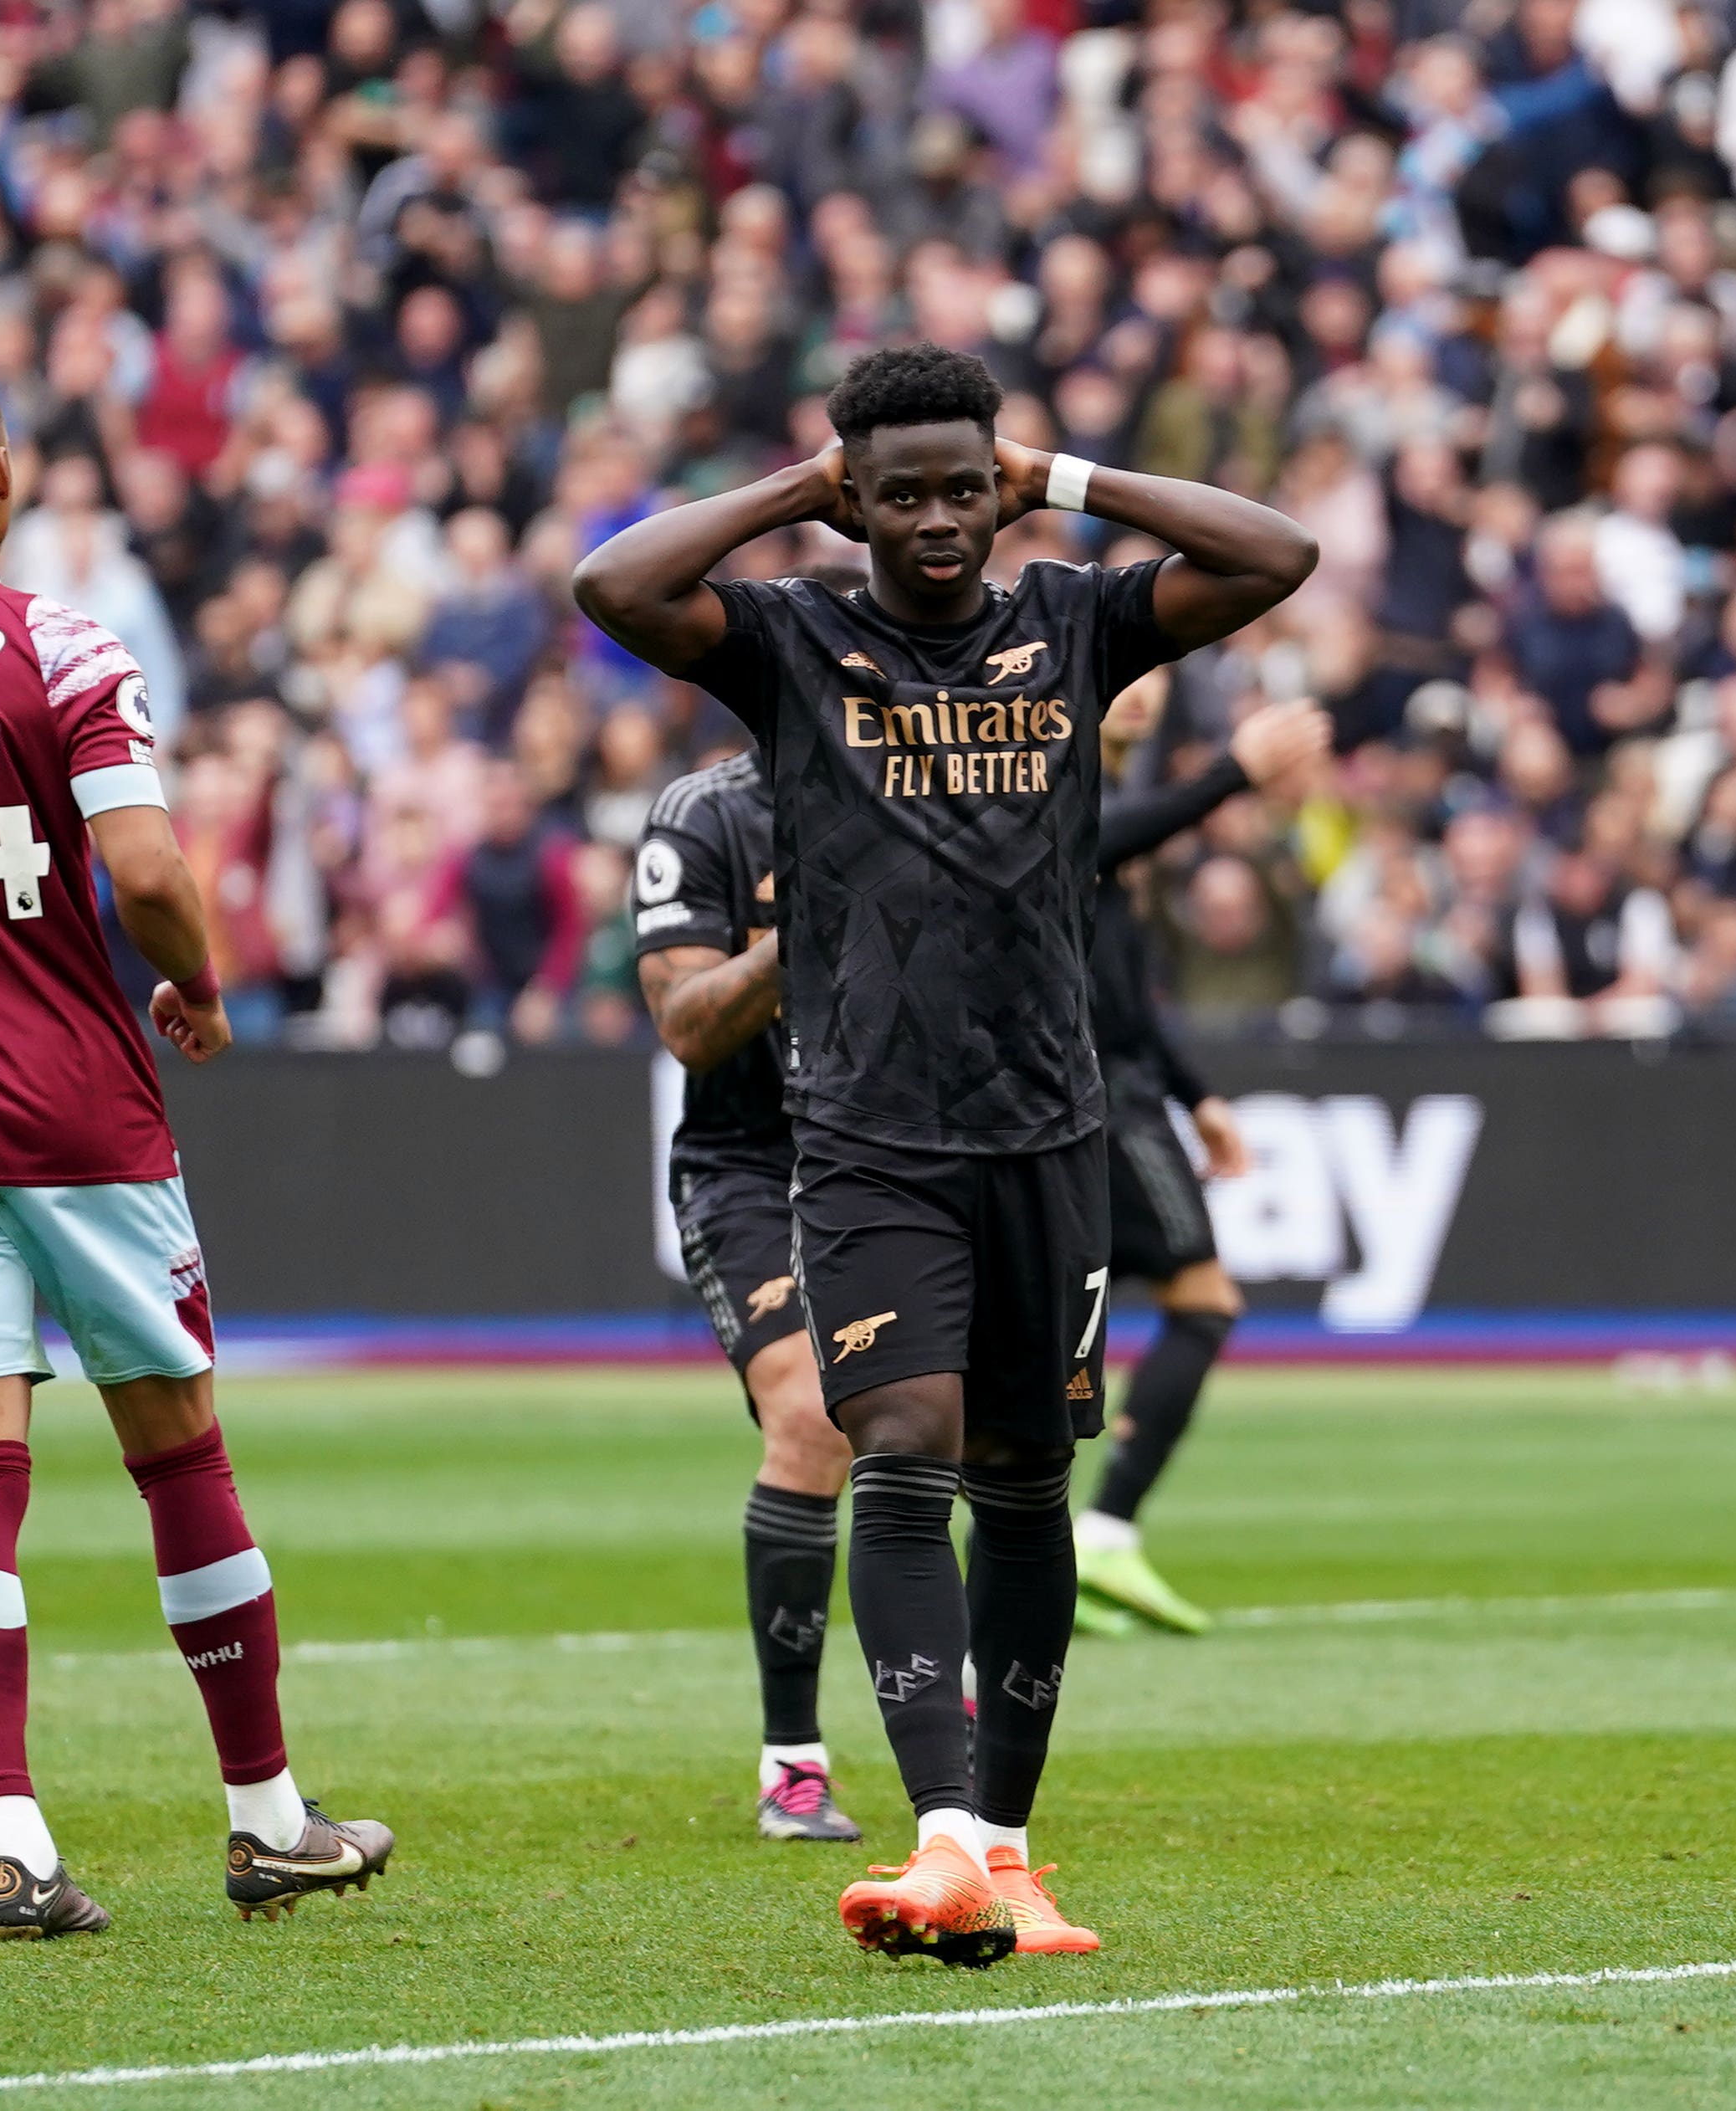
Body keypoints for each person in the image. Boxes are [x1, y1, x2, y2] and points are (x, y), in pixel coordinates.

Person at [574, 342, 1316, 1965]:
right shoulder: (788, 638)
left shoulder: (1068, 622)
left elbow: (1272, 553)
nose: (930, 520)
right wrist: (797, 487)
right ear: (851, 503)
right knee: (898, 1444)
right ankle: (938, 1841)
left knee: (1028, 1482)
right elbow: (609, 580)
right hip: (864, 1138)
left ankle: (1008, 1847)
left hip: (1046, 1129)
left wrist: (1059, 478)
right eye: (895, 492)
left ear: (997, 489)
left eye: (957, 488)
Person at [0, 351, 392, 1938]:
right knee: (178, 1449)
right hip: (73, 1111)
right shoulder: (62, 640)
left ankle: (9, 1842)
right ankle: (263, 1818)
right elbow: (150, 866)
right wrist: (199, 975)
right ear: (1, 471)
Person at [632, 749, 862, 1844]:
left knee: (947, 1429)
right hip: (749, 1168)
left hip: (898, 1156)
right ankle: (794, 1763)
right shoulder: (705, 814)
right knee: (813, 1416)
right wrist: (805, 924)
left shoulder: (924, 777)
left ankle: (950, 1716)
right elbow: (684, 1020)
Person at [1075, 684, 1330, 1637]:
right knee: (1202, 1298)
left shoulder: (1109, 794)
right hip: (1099, 1100)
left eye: (1152, 674)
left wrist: (1200, 1095)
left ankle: (1062, 1538)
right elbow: (1092, 843)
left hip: (1112, 1089)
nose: (1138, 689)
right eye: (1116, 671)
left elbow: (1127, 988)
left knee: (1064, 1324)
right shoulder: (1054, 786)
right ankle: (1101, 1532)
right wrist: (1232, 774)